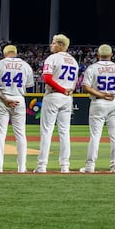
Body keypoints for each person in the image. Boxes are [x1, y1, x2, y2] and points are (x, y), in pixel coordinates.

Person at [80, 44, 115, 173]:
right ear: (111, 55)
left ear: (98, 55)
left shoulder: (92, 68)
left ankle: (90, 166)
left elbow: (86, 87)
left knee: (95, 136)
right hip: (114, 101)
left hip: (98, 102)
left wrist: (101, 94)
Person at [35, 34, 79, 173]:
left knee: (46, 131)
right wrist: (67, 90)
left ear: (60, 45)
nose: (51, 45)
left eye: (53, 43)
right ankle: (65, 166)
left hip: (54, 95)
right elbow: (75, 82)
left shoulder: (52, 58)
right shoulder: (73, 61)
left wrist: (61, 89)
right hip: (67, 97)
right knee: (64, 132)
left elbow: (47, 79)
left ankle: (42, 166)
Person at [0, 44, 35, 173]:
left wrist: (5, 99)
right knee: (20, 134)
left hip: (3, 98)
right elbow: (30, 88)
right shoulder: (25, 65)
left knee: (0, 133)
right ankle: (22, 167)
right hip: (19, 99)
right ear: (15, 53)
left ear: (4, 53)